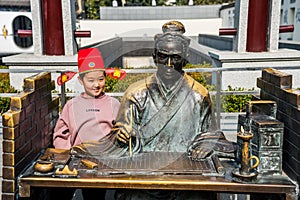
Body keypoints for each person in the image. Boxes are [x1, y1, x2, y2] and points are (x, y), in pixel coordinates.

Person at [71, 21, 235, 200]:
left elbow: (212, 135)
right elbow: (121, 132)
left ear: (186, 56)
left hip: (187, 174)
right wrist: (123, 134)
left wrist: (205, 144)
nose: (169, 64)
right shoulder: (137, 93)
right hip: (144, 171)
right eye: (163, 57)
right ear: (154, 56)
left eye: (176, 57)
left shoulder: (199, 95)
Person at [53, 47, 120, 200]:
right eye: (91, 80)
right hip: (75, 159)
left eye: (101, 79)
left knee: (94, 195)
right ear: (81, 80)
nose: (97, 85)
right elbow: (61, 134)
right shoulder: (72, 105)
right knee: (62, 193)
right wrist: (66, 154)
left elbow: (120, 131)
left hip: (102, 161)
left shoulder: (113, 104)